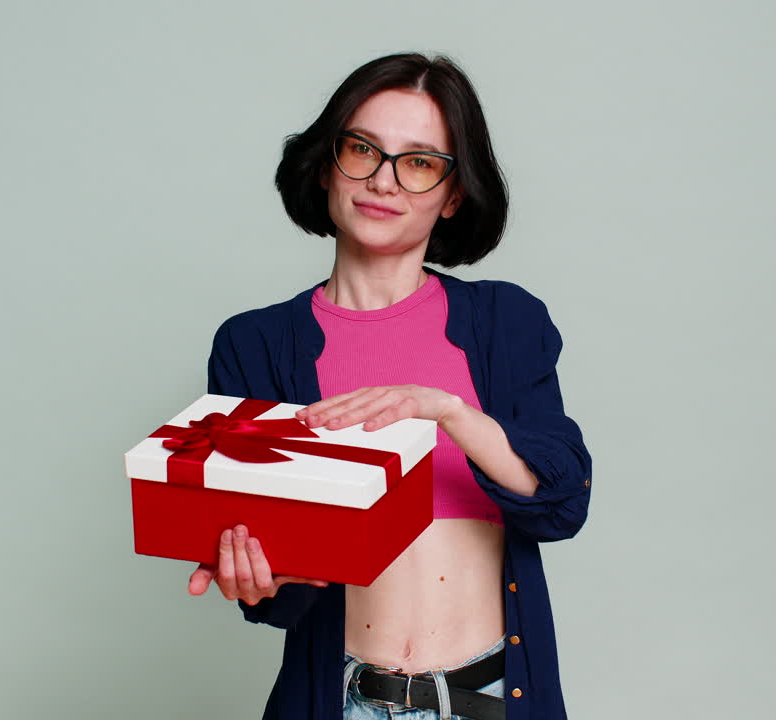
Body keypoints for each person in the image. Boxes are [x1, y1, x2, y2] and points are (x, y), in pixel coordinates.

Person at [186, 52, 593, 720]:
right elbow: (278, 598)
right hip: (339, 700)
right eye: (362, 149)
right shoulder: (254, 344)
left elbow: (560, 501)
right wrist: (254, 577)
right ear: (327, 164)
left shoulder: (505, 321)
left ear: (453, 194)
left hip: (492, 699)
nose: (384, 180)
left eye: (420, 162)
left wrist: (446, 411)